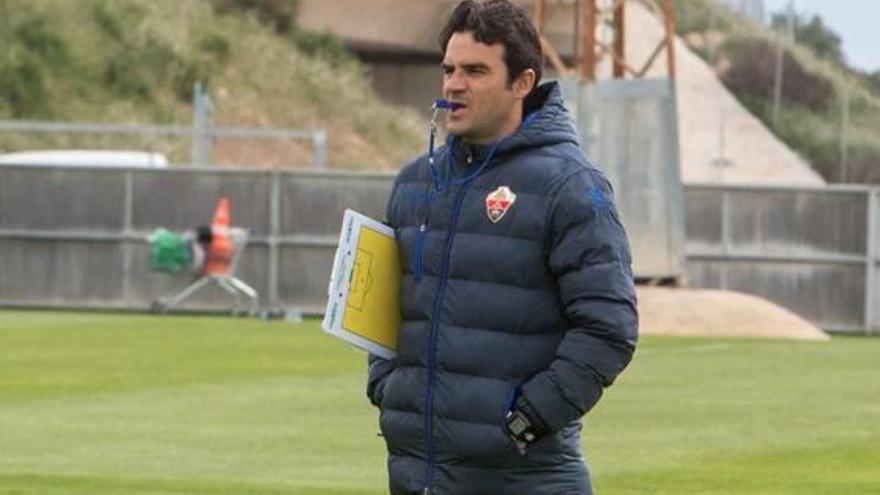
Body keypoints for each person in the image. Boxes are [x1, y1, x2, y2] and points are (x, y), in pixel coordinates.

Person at [366, 1, 638, 493]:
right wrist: (387, 388)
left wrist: (524, 421)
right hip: (418, 477)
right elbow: (386, 311)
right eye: (449, 69)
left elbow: (609, 327)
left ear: (522, 83)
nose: (453, 84)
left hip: (525, 479)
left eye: (474, 71)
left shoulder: (571, 187)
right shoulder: (413, 184)